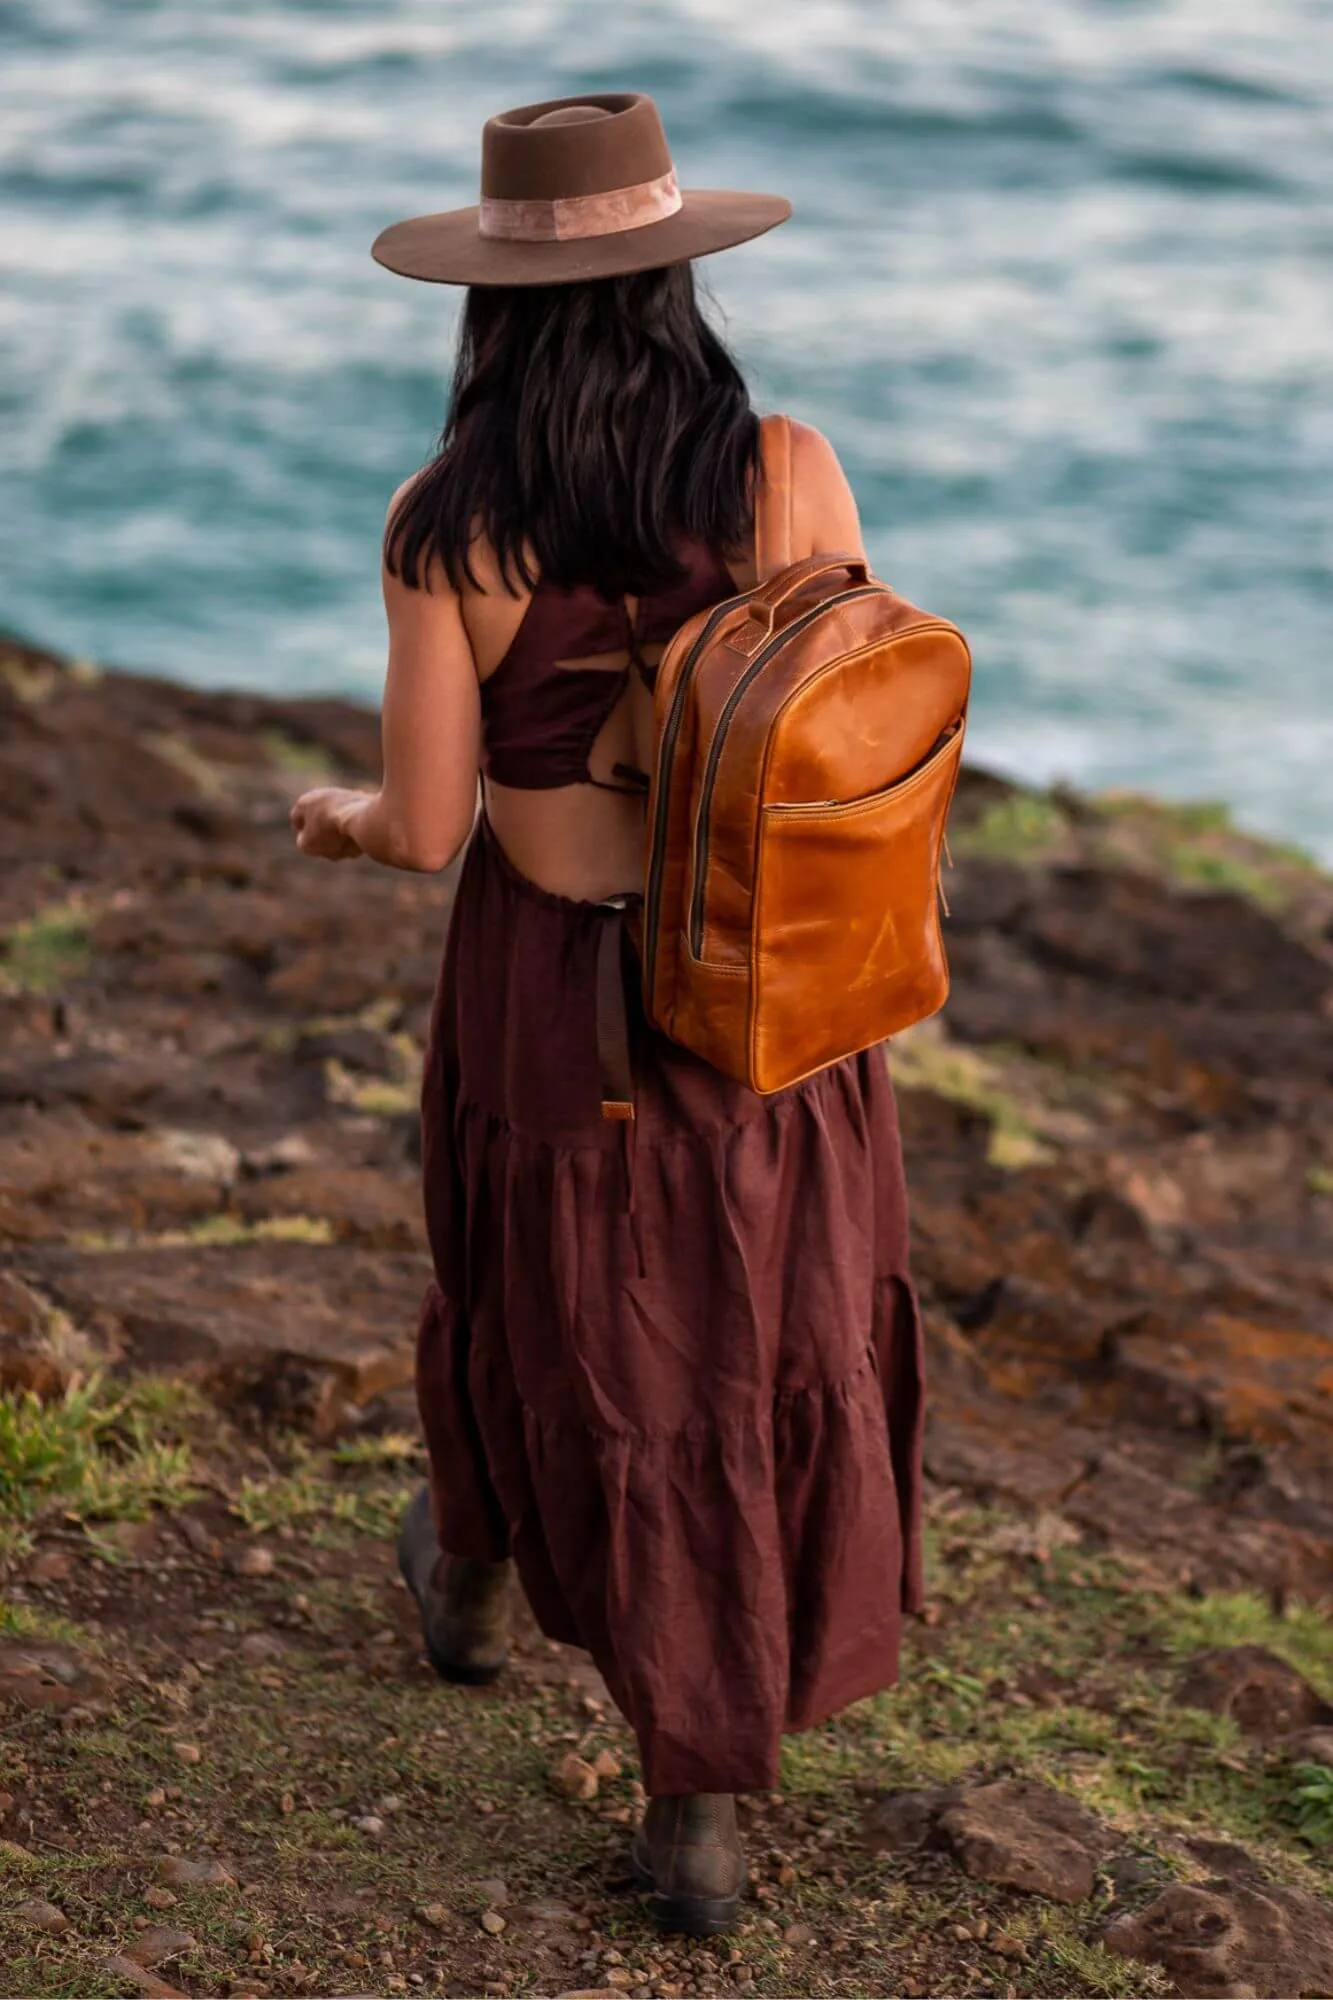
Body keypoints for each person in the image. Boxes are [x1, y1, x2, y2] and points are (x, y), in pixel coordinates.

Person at [291, 91, 925, 1939]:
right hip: (766, 985)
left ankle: (475, 1579)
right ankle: (696, 1805)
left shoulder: (451, 527)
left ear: (488, 306)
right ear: (680, 289)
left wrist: (331, 819)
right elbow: (847, 726)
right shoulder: (784, 470)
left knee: (533, 1292)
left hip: (557, 988)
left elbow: (422, 835)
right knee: (746, 1340)